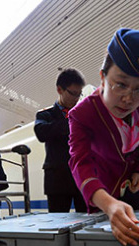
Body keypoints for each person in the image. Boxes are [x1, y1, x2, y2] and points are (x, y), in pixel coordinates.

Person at [68, 28, 139, 246]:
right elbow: (80, 162)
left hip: (137, 186)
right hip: (103, 190)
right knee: (105, 245)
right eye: (120, 84)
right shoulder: (82, 114)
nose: (129, 99)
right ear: (102, 76)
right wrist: (109, 204)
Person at [34, 69, 86, 213]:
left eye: (79, 94)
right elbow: (41, 133)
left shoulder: (84, 113)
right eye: (72, 93)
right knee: (57, 224)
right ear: (59, 89)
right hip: (57, 180)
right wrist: (72, 122)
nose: (76, 98)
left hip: (83, 178)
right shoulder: (45, 114)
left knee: (87, 223)